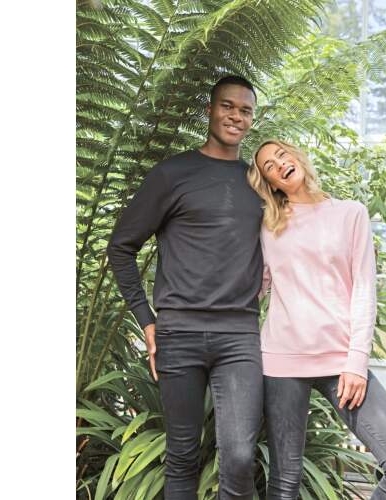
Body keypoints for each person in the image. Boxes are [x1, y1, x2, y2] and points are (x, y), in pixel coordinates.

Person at [107, 76, 264, 500]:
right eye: (227, 106)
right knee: (181, 457)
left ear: (252, 119)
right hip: (178, 333)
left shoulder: (258, 182)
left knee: (239, 457)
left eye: (245, 110)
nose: (236, 116)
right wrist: (147, 320)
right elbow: (120, 247)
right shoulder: (171, 174)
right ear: (209, 110)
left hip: (240, 335)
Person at [247, 139, 386, 500]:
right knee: (284, 482)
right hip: (281, 361)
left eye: (282, 155)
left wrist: (356, 361)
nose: (279, 164)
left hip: (342, 362)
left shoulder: (350, 213)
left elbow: (364, 290)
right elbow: (255, 289)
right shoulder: (268, 226)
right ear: (270, 183)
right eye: (269, 166)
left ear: (296, 156)